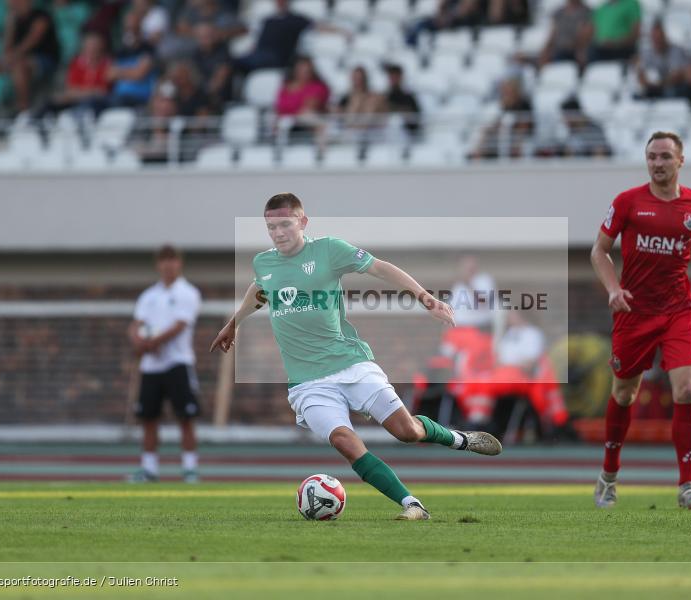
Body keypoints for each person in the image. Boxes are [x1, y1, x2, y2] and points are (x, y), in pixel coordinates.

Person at [210, 193, 502, 521]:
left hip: (350, 364)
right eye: (271, 227)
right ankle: (411, 505)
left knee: (407, 432)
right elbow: (259, 288)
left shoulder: (329, 250)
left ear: (302, 222)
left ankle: (459, 439)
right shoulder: (264, 263)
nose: (278, 233)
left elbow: (381, 268)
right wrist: (234, 323)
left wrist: (426, 298)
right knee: (344, 441)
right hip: (307, 383)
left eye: (285, 225)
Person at [590, 131, 691, 510]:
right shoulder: (628, 202)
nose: (658, 163)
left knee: (685, 391)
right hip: (633, 313)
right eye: (652, 156)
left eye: (665, 156)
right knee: (624, 394)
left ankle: (687, 486)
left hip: (678, 310)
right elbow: (599, 252)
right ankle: (609, 476)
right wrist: (614, 289)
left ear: (680, 161)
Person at [128, 245, 203, 483]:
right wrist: (139, 341)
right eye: (163, 260)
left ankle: (190, 469)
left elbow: (181, 324)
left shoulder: (188, 292)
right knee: (148, 417)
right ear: (158, 264)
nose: (168, 265)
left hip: (177, 362)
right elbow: (135, 324)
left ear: (179, 263)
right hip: (151, 366)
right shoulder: (149, 295)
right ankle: (149, 469)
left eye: (172, 260)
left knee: (185, 417)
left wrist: (154, 342)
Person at [0, 0, 61, 112]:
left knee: (19, 68)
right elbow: (7, 48)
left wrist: (12, 57)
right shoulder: (15, 20)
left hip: (44, 60)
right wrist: (10, 24)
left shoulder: (41, 16)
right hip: (17, 58)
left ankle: (23, 109)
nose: (14, 5)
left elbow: (33, 40)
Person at [469, 77, 533, 160]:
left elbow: (524, 126)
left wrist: (516, 143)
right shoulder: (504, 105)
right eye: (504, 91)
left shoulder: (524, 104)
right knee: (487, 130)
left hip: (519, 138)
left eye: (507, 90)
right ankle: (478, 153)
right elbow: (498, 122)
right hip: (505, 137)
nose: (505, 93)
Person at [636, 19, 688, 99]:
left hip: (673, 87)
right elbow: (640, 73)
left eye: (659, 37)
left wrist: (659, 83)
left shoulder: (676, 51)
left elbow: (677, 76)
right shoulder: (646, 53)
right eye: (654, 38)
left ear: (664, 37)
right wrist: (648, 82)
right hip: (654, 87)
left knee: (672, 92)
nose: (657, 41)